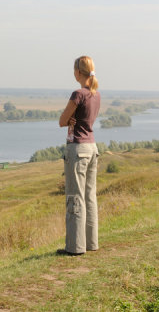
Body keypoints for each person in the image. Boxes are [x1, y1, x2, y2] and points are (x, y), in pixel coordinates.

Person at [57, 55, 101, 255]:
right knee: (90, 197)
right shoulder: (96, 94)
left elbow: (62, 120)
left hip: (78, 149)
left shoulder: (78, 93)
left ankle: (75, 247)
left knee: (75, 197)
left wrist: (69, 120)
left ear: (78, 72)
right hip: (92, 147)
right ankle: (91, 243)